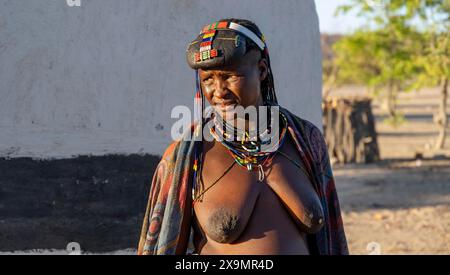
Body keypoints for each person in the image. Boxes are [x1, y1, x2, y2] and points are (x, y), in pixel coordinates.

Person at [138, 18, 348, 255]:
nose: (218, 91)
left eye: (230, 76)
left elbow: (331, 239)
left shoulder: (304, 140)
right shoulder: (189, 154)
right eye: (208, 79)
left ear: (261, 70)